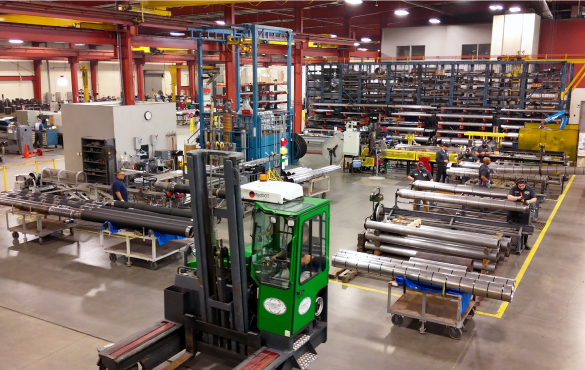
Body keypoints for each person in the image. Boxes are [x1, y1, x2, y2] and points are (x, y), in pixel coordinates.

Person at [507, 179, 536, 249]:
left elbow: (534, 199)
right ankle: (509, 242)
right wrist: (517, 198)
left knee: (525, 228)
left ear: (525, 184)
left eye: (522, 186)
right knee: (510, 226)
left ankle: (525, 243)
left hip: (524, 212)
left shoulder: (529, 189)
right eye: (519, 186)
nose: (521, 187)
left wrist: (529, 201)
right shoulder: (514, 188)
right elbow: (509, 197)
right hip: (514, 211)